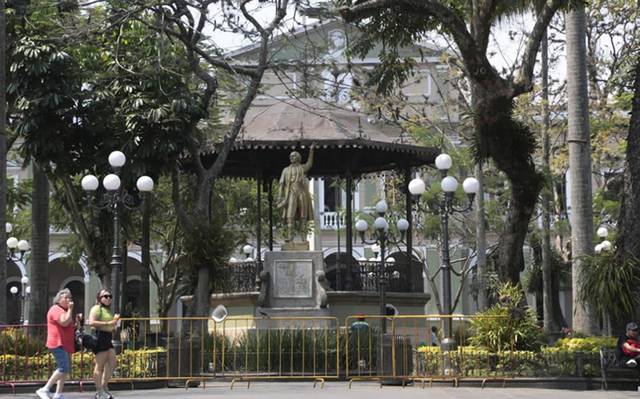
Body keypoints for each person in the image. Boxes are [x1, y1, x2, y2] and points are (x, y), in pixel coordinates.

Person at [36, 288, 81, 399]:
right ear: (58, 299)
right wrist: (70, 309)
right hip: (57, 343)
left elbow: (72, 327)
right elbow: (64, 322)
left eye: (70, 298)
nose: (69, 300)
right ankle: (45, 389)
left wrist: (78, 322)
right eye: (66, 297)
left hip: (66, 344)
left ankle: (58, 394)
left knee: (65, 370)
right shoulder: (56, 309)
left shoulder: (65, 311)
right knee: (63, 368)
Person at [277, 146, 315, 243]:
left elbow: (309, 164)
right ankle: (290, 238)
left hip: (302, 193)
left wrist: (311, 151)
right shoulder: (285, 170)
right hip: (291, 193)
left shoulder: (302, 168)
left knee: (303, 216)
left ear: (298, 157)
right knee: (290, 216)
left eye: (293, 156)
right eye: (290, 156)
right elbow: (281, 184)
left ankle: (304, 238)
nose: (291, 158)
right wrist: (280, 197)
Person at [87, 289, 120, 399]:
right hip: (99, 337)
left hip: (107, 337)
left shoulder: (108, 311)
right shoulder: (97, 308)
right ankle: (99, 391)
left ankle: (104, 386)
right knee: (99, 366)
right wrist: (109, 323)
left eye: (110, 296)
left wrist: (114, 325)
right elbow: (91, 322)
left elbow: (111, 325)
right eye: (105, 296)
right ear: (99, 298)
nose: (108, 298)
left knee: (113, 362)